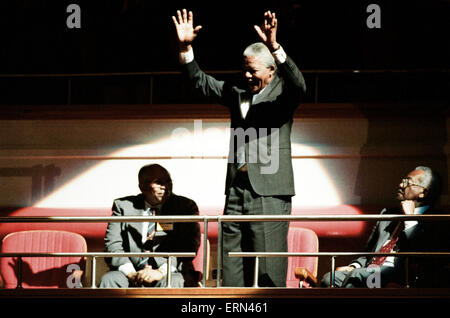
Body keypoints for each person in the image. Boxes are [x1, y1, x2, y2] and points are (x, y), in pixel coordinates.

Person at [172, 9, 306, 287]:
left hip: (269, 191)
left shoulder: (284, 94)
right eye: (243, 68)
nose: (245, 74)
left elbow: (300, 85)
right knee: (231, 261)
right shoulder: (236, 93)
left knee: (267, 265)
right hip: (236, 189)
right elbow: (200, 83)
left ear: (271, 70)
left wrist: (275, 47)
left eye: (252, 70)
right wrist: (186, 49)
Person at [321, 166, 443, 288]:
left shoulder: (436, 220)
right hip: (370, 272)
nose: (400, 185)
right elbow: (369, 253)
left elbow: (421, 255)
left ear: (423, 193)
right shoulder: (387, 214)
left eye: (407, 182)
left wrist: (410, 219)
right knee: (330, 279)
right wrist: (354, 266)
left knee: (358, 277)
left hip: (400, 275)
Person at [99, 164, 201, 288]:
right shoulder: (123, 207)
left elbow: (188, 245)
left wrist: (160, 272)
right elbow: (112, 244)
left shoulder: (185, 207)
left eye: (168, 181)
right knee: (110, 280)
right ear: (142, 187)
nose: (165, 186)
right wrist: (131, 273)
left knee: (172, 283)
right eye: (158, 182)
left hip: (170, 271)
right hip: (132, 270)